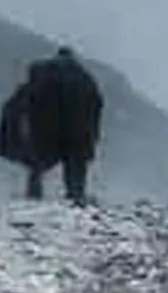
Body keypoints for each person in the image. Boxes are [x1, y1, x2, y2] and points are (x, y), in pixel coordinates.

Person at [12, 46, 106, 204]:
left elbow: (29, 98)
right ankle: (75, 193)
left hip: (47, 128)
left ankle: (34, 192)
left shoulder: (45, 72)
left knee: (38, 162)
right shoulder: (85, 77)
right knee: (76, 164)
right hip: (78, 130)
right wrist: (93, 132)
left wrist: (27, 123)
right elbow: (97, 104)